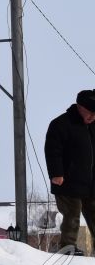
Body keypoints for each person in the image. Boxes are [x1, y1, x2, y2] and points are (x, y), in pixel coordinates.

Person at [45, 89, 95, 254]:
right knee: (72, 215)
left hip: (91, 182)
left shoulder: (93, 125)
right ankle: (68, 247)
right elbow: (53, 150)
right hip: (67, 181)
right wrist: (56, 173)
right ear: (80, 107)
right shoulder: (61, 124)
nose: (93, 117)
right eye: (91, 113)